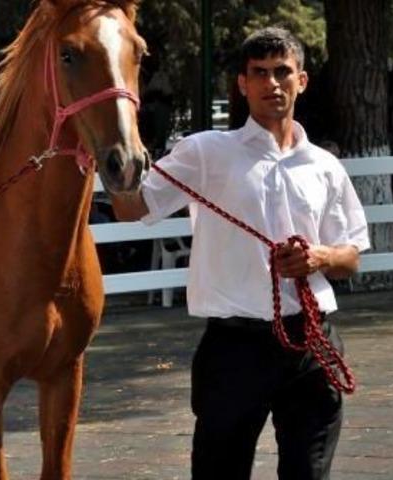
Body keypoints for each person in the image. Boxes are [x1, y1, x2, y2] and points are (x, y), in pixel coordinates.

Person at [109, 27, 370, 479]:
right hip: (235, 349)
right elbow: (132, 209)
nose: (272, 83)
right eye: (260, 73)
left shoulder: (325, 166)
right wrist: (104, 156)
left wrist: (319, 258)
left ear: (301, 80)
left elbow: (351, 257)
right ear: (243, 84)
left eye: (282, 72)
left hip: (312, 342)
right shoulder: (206, 152)